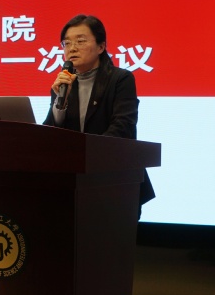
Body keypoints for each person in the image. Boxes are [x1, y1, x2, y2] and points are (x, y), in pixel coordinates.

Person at [42, 14, 155, 211]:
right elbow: (51, 132)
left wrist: (88, 158)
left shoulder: (120, 79)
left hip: (116, 182)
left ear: (101, 47)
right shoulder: (64, 83)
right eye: (67, 43)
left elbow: (123, 127)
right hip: (72, 185)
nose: (72, 48)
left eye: (80, 41)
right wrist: (61, 102)